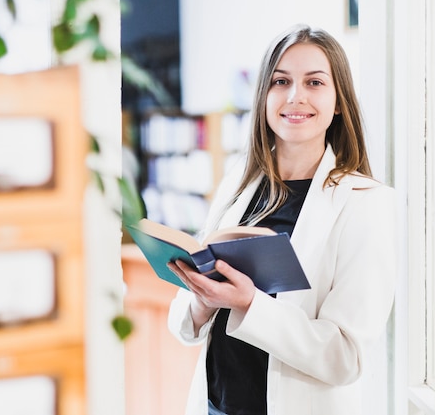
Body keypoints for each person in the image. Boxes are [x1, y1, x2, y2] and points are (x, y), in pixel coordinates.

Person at [166, 24, 397, 415]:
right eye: (280, 81)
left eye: (314, 82)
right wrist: (202, 302)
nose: (295, 96)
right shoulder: (238, 185)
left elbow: (345, 356)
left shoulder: (365, 203)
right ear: (264, 96)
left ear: (338, 102)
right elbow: (185, 325)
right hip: (215, 406)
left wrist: (249, 304)